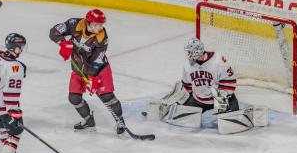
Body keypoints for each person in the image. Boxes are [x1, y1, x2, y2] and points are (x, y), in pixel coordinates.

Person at [147, 38, 267, 134]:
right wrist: (184, 100)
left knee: (230, 122)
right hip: (198, 99)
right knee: (179, 111)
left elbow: (229, 82)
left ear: (198, 51)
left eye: (190, 52)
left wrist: (221, 101)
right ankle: (164, 107)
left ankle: (249, 114)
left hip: (219, 98)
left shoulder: (219, 61)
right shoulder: (187, 65)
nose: (188, 54)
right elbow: (187, 85)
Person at [49, 9, 129, 137]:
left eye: (101, 24)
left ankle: (120, 122)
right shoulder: (74, 23)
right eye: (97, 24)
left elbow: (97, 59)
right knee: (74, 98)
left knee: (107, 96)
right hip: (79, 68)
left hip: (99, 69)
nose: (100, 27)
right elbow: (54, 32)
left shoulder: (102, 37)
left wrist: (92, 78)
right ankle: (89, 122)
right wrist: (63, 43)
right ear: (89, 23)